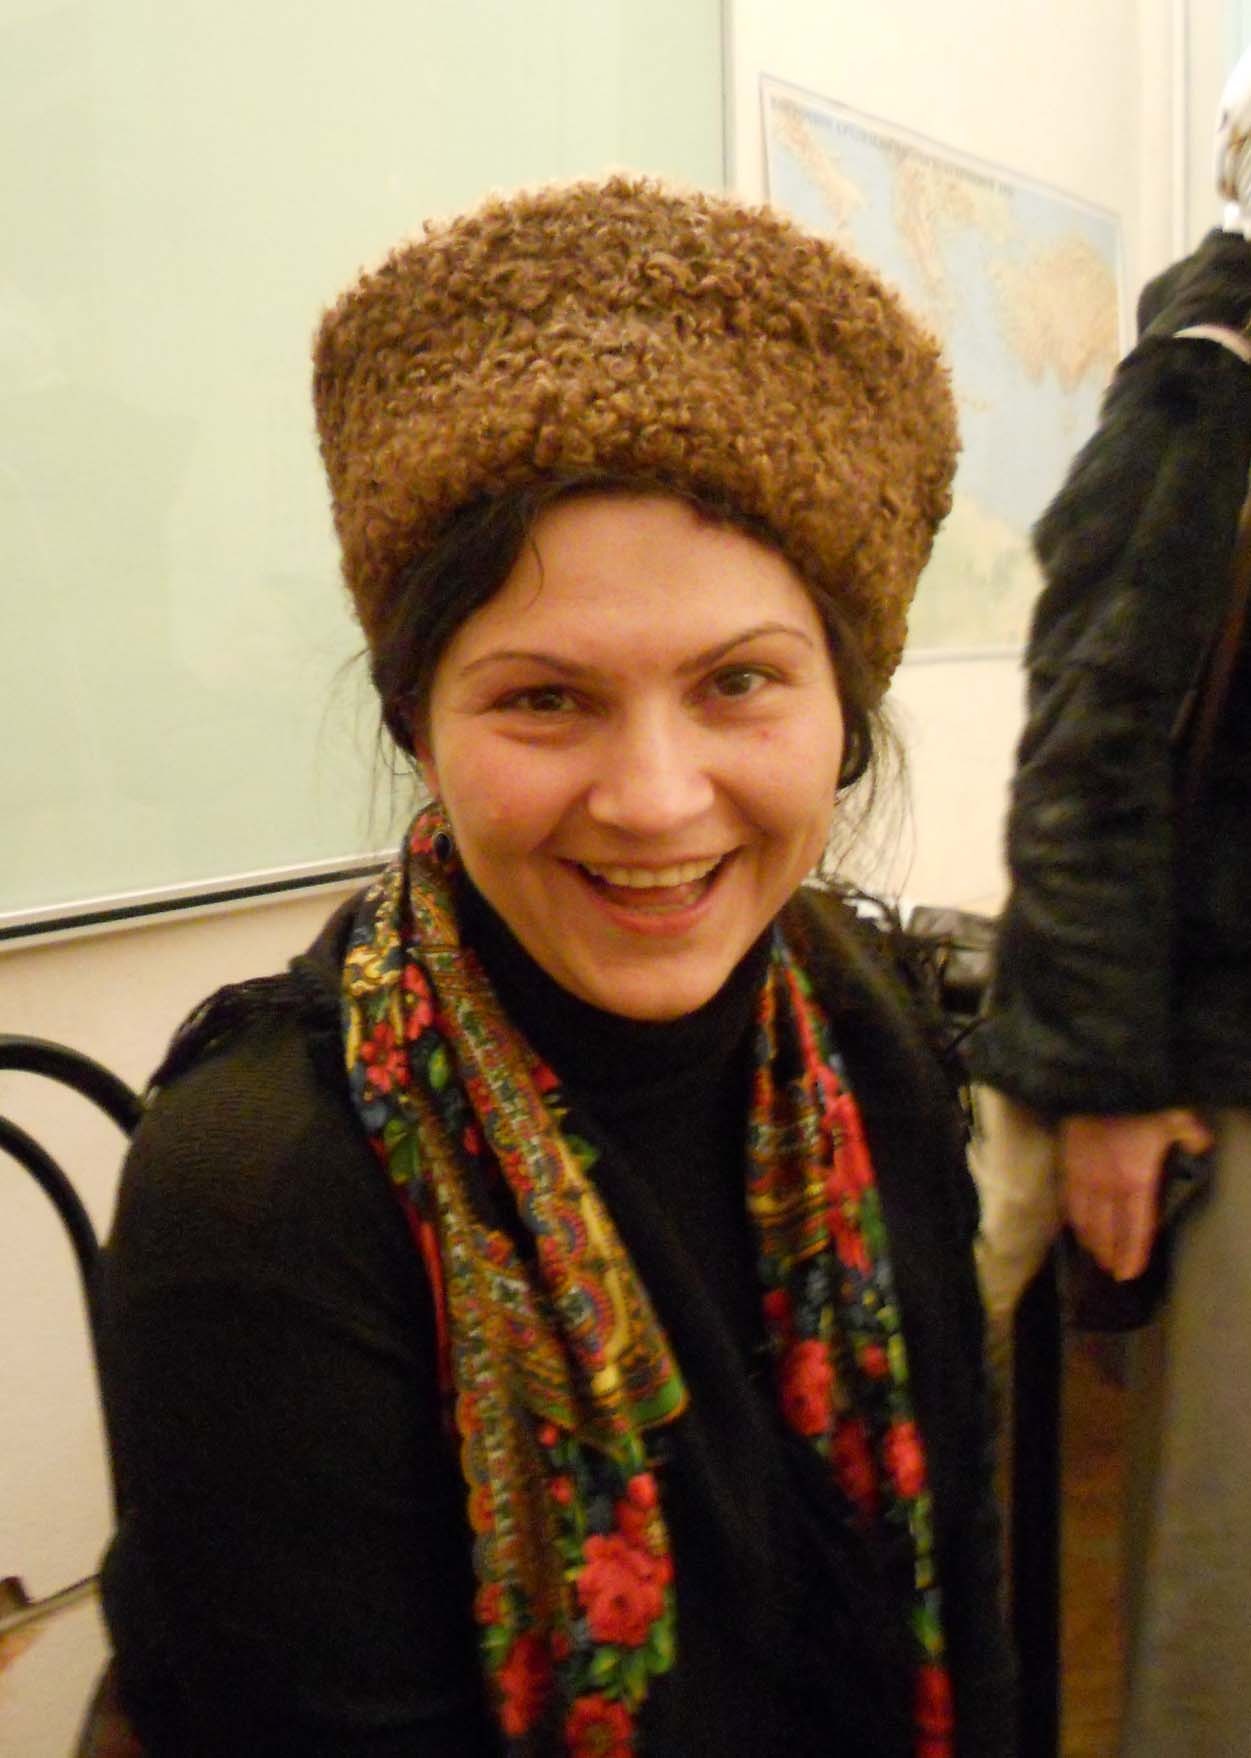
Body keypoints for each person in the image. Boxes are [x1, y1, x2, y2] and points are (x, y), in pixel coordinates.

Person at [97, 175, 1014, 1757]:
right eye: (543, 699)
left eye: (739, 682)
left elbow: (967, 1616)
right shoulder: (263, 1194)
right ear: (420, 722)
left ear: (845, 709)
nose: (654, 798)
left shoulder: (870, 1034)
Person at [971, 221, 1251, 1756]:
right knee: (1227, 1600)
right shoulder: (1209, 379)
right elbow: (1091, 731)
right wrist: (1109, 1086)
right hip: (1225, 1075)